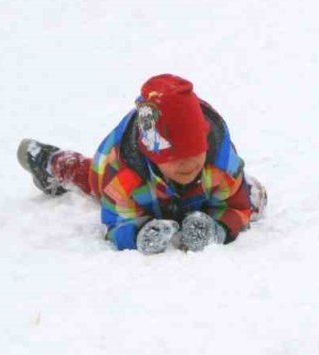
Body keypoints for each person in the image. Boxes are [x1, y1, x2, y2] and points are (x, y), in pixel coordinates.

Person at [15, 73, 267, 254]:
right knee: (91, 178)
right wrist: (138, 235)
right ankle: (51, 163)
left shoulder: (221, 166)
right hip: (129, 181)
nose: (188, 163)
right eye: (174, 157)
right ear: (153, 155)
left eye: (195, 152)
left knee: (253, 197)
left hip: (199, 193)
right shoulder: (124, 177)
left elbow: (237, 206)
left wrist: (218, 229)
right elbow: (115, 224)